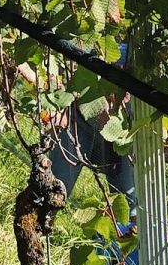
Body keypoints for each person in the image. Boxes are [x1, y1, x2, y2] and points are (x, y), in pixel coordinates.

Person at [18, 44, 135, 210]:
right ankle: (36, 224)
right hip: (80, 122)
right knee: (50, 192)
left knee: (130, 203)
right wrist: (59, 105)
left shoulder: (139, 60)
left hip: (123, 131)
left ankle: (129, 231)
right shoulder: (102, 49)